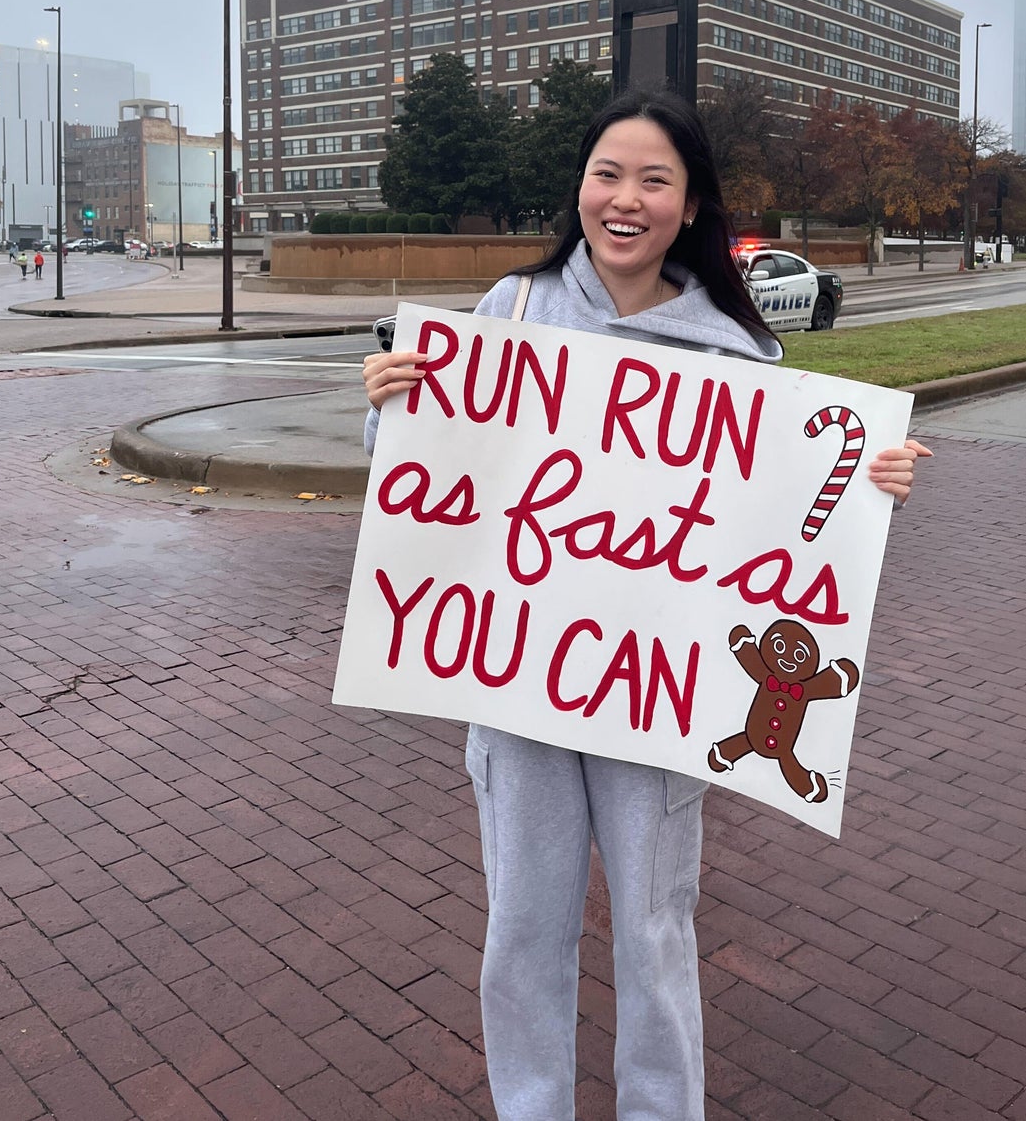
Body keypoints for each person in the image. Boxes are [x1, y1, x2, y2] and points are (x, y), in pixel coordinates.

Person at [361, 90, 930, 1121]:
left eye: (653, 180)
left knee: (655, 932)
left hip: (656, 707)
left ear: (690, 202)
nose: (624, 199)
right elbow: (433, 484)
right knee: (522, 927)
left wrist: (868, 484)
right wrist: (392, 407)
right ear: (579, 187)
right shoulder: (511, 313)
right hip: (522, 686)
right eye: (606, 174)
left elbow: (788, 515)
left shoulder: (735, 354)